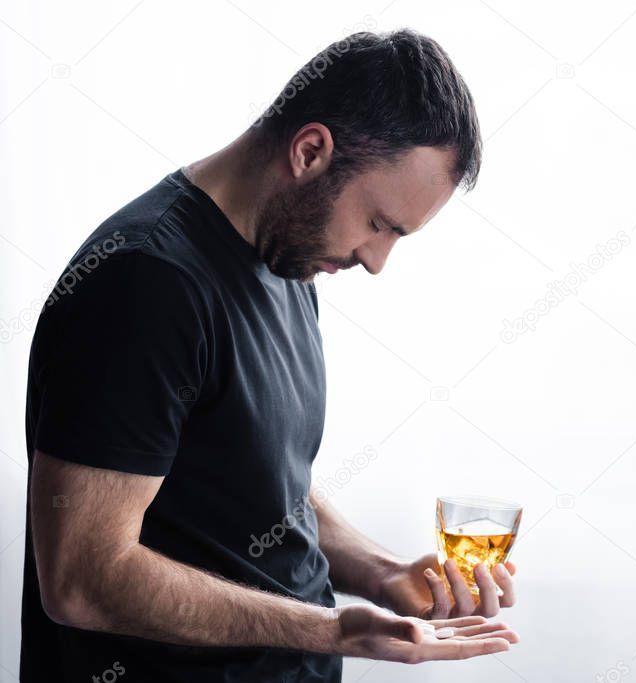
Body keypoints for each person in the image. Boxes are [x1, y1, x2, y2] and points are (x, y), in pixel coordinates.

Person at [20, 28, 518, 682]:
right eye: (378, 223)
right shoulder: (144, 282)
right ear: (311, 151)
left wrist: (382, 571)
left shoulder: (289, 262)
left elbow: (258, 478)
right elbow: (84, 578)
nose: (375, 261)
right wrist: (331, 627)